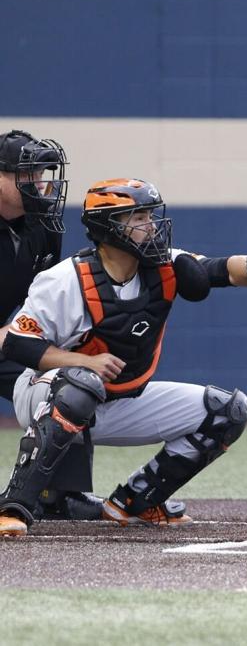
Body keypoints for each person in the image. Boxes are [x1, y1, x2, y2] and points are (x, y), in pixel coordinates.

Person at [0, 178, 247, 536]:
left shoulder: (166, 262)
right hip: (46, 395)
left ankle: (136, 501)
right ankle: (14, 506)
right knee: (82, 384)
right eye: (137, 217)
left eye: (150, 214)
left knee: (228, 411)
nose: (150, 225)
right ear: (109, 227)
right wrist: (83, 362)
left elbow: (221, 269)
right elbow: (19, 344)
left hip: (119, 397)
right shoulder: (64, 280)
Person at [0, 129, 107, 520]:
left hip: (5, 341)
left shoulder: (43, 224)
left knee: (72, 375)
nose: (40, 185)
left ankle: (59, 492)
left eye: (44, 174)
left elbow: (44, 301)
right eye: (27, 175)